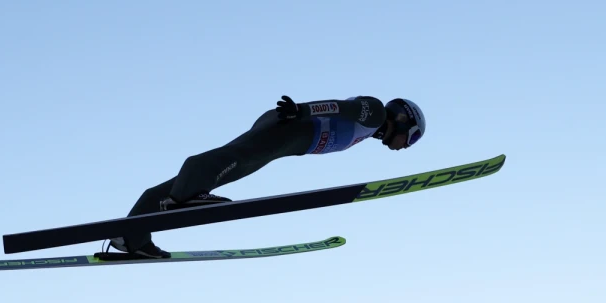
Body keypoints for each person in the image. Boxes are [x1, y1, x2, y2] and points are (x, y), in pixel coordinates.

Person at [113, 96, 425, 258]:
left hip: (292, 136)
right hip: (295, 127)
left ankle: (132, 235)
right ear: (402, 120)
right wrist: (300, 111)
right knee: (236, 160)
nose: (405, 146)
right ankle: (185, 195)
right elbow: (342, 108)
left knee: (235, 166)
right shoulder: (375, 112)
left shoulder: (371, 126)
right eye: (411, 138)